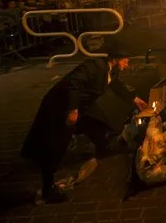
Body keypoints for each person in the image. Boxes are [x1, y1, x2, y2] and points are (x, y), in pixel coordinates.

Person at [20, 46, 148, 203]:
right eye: (125, 61)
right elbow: (73, 84)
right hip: (61, 106)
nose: (127, 64)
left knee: (97, 122)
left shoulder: (112, 70)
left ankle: (103, 147)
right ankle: (48, 189)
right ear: (115, 59)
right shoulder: (93, 66)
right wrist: (72, 110)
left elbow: (116, 85)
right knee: (56, 145)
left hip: (83, 105)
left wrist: (134, 99)